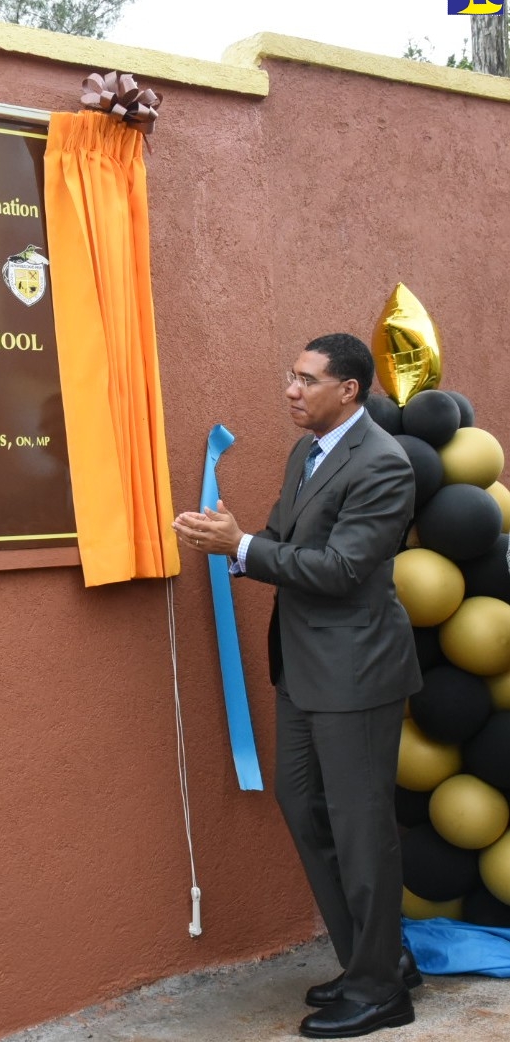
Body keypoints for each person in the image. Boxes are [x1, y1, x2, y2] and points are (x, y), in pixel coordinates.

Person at [173, 333, 423, 1039]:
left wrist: (243, 547)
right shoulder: (306, 451)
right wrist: (228, 540)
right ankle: (372, 961)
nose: (290, 389)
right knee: (303, 805)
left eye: (306, 380)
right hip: (305, 668)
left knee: (360, 827)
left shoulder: (382, 463)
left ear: (347, 390)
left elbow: (341, 568)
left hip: (355, 673)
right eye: (290, 375)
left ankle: (381, 993)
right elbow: (284, 540)